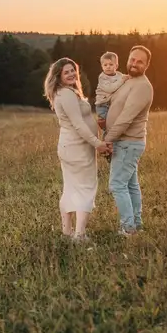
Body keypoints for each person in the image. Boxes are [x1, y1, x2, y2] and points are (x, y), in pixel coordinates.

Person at [43, 57, 112, 241]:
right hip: (77, 149)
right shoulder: (66, 94)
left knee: (72, 188)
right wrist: (98, 144)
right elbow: (78, 125)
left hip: (72, 147)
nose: (71, 74)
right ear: (58, 76)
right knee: (85, 189)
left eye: (73, 70)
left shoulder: (65, 92)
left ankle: (67, 233)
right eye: (66, 72)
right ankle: (79, 235)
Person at [102, 45, 154, 236]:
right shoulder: (128, 80)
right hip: (124, 142)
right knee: (130, 185)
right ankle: (136, 224)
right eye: (132, 59)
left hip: (128, 143)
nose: (134, 64)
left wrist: (107, 140)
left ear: (147, 65)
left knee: (117, 185)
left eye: (140, 62)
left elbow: (126, 118)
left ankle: (128, 228)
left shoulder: (143, 86)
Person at [94, 51, 127, 130]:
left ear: (116, 66)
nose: (108, 67)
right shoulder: (102, 77)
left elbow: (125, 78)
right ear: (102, 66)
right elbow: (110, 89)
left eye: (111, 64)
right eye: (105, 65)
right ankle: (104, 128)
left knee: (116, 121)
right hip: (103, 104)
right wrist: (122, 81)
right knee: (107, 124)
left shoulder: (119, 75)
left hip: (112, 103)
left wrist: (128, 78)